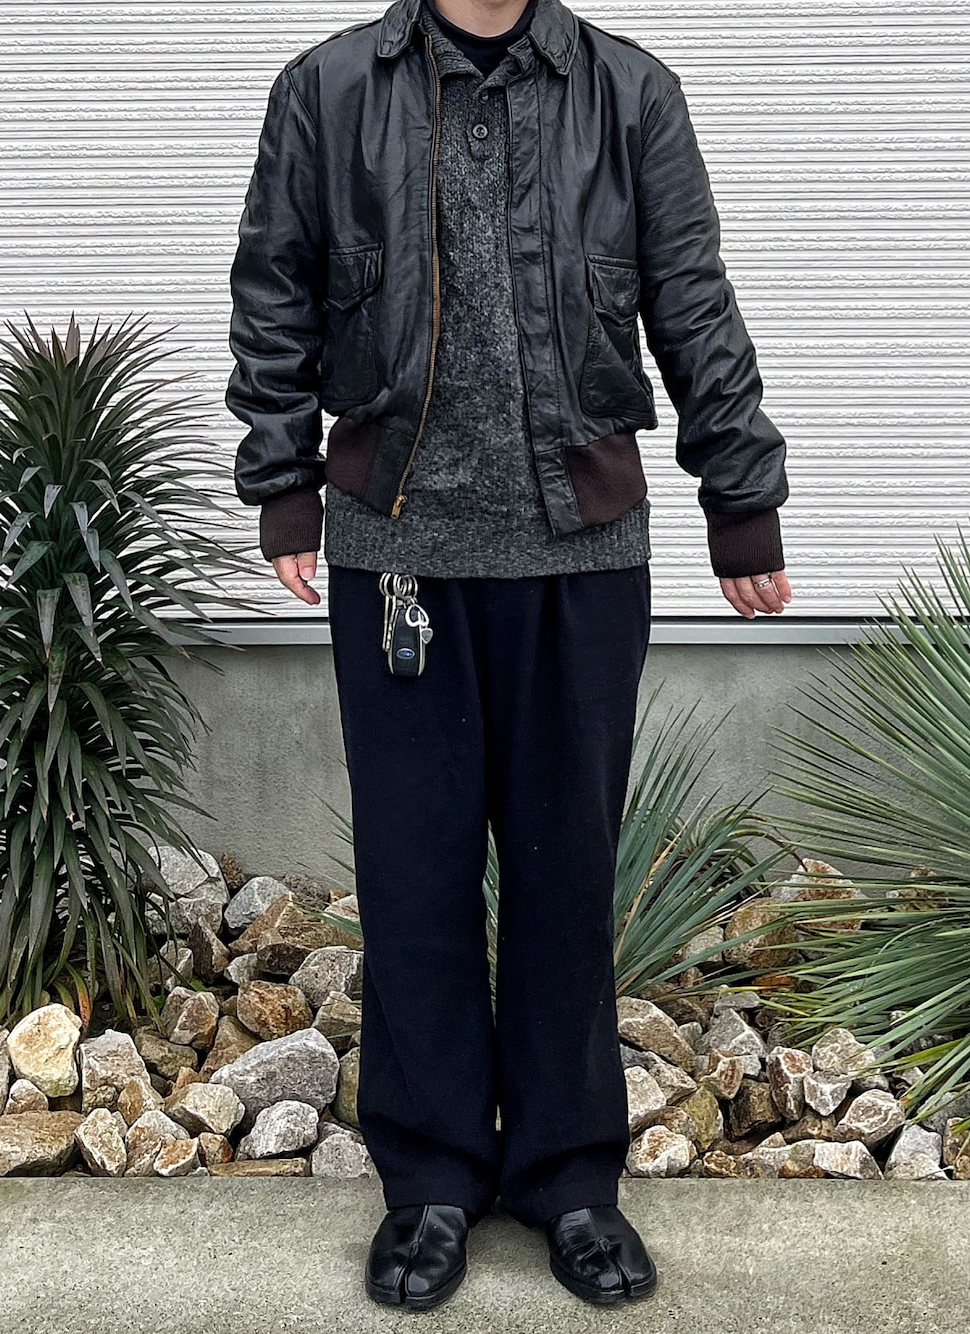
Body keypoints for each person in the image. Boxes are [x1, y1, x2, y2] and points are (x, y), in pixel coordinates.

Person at [226, 0, 792, 1311]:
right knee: (414, 882)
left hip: (580, 555)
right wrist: (284, 480)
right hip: (398, 549)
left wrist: (740, 495)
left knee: (565, 878)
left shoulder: (631, 94)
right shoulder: (326, 91)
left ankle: (569, 1178)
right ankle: (428, 1180)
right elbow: (275, 287)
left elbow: (691, 296)